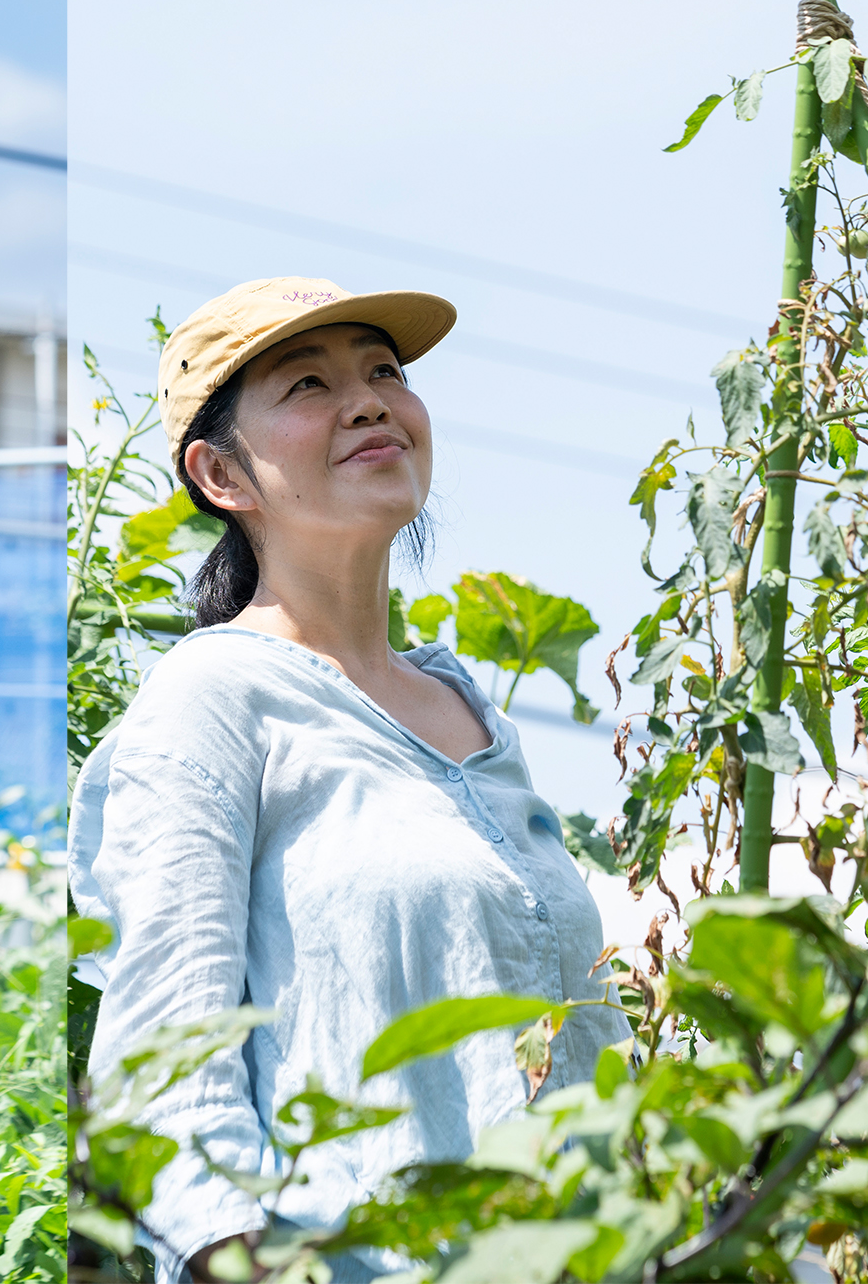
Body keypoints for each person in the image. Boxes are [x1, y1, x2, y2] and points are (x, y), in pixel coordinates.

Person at [68, 276, 629, 1284]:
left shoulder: (471, 712)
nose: (368, 400)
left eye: (383, 371)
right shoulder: (212, 701)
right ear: (222, 474)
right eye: (309, 383)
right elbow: (163, 1082)